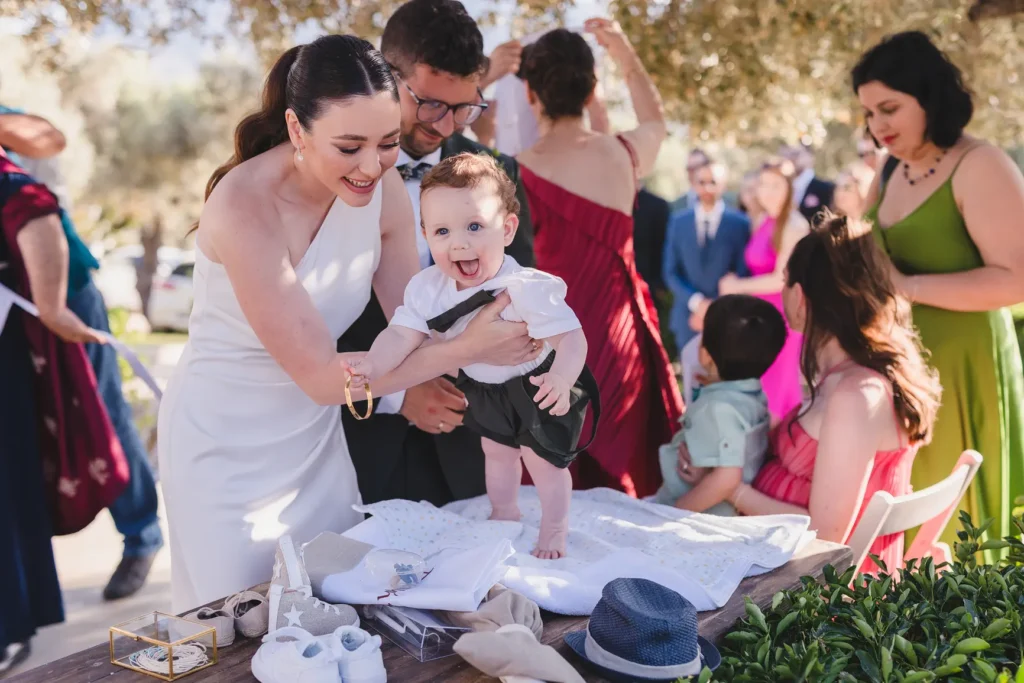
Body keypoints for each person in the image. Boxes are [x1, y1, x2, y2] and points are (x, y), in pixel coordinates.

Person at [158, 35, 539, 612]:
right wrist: (462, 349)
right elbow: (321, 378)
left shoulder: (383, 187)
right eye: (349, 146)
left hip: (314, 442)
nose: (372, 165)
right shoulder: (244, 206)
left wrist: (519, 331)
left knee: (334, 600)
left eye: (387, 143)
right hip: (223, 445)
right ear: (296, 128)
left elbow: (418, 318)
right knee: (245, 619)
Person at [338, 0, 537, 509]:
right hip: (357, 445)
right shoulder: (334, 171)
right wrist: (398, 393)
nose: (447, 125)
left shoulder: (500, 174)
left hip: (475, 444)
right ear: (385, 78)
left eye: (466, 107)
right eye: (430, 104)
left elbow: (519, 296)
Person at [347, 153, 595, 559]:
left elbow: (573, 338)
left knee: (544, 464)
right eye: (442, 231)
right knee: (496, 456)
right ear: (425, 235)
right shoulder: (428, 288)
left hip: (535, 385)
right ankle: (504, 510)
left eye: (475, 226)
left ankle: (554, 527)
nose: (458, 242)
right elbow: (400, 334)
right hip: (485, 389)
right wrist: (373, 364)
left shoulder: (523, 286)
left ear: (508, 229)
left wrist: (562, 379)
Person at [854, 31, 1024, 558]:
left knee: (964, 526)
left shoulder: (981, 164)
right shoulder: (890, 169)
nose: (878, 126)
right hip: (904, 368)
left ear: (928, 96)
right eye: (868, 114)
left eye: (889, 108)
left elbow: (1018, 277)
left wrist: (909, 289)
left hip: (965, 361)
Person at [0, 106, 164, 601]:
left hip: (63, 291)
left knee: (101, 413)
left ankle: (142, 535)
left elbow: (51, 139)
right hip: (9, 304)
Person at [721, 214, 943, 575]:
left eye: (784, 281)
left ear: (800, 297)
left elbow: (825, 535)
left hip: (821, 602)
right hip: (779, 564)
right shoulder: (851, 379)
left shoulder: (856, 396)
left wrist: (731, 491)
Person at [517, 21, 684, 497]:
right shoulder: (622, 154)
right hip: (618, 340)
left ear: (531, 93)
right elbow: (656, 121)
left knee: (551, 486)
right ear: (592, 89)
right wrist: (624, 53)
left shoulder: (513, 169)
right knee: (624, 486)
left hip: (551, 345)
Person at [656, 295, 785, 515]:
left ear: (706, 355)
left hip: (698, 515)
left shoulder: (717, 408)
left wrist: (675, 514)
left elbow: (727, 479)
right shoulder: (752, 394)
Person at [719, 159, 809, 420]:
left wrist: (737, 286)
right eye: (763, 184)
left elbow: (782, 278)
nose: (768, 191)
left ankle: (777, 452)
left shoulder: (793, 224)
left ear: (789, 188)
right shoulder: (763, 220)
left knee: (776, 391)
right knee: (760, 388)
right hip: (759, 317)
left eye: (776, 185)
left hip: (782, 317)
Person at [663, 160, 750, 351]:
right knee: (692, 377)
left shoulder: (741, 224)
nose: (707, 187)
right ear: (693, 184)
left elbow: (743, 270)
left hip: (727, 316)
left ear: (723, 185)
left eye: (713, 182)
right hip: (687, 317)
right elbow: (670, 272)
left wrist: (714, 308)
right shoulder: (678, 222)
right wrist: (698, 304)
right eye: (701, 182)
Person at [781, 143, 834, 223]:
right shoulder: (780, 187)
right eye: (787, 154)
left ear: (810, 157)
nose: (791, 158)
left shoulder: (826, 188)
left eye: (796, 154)